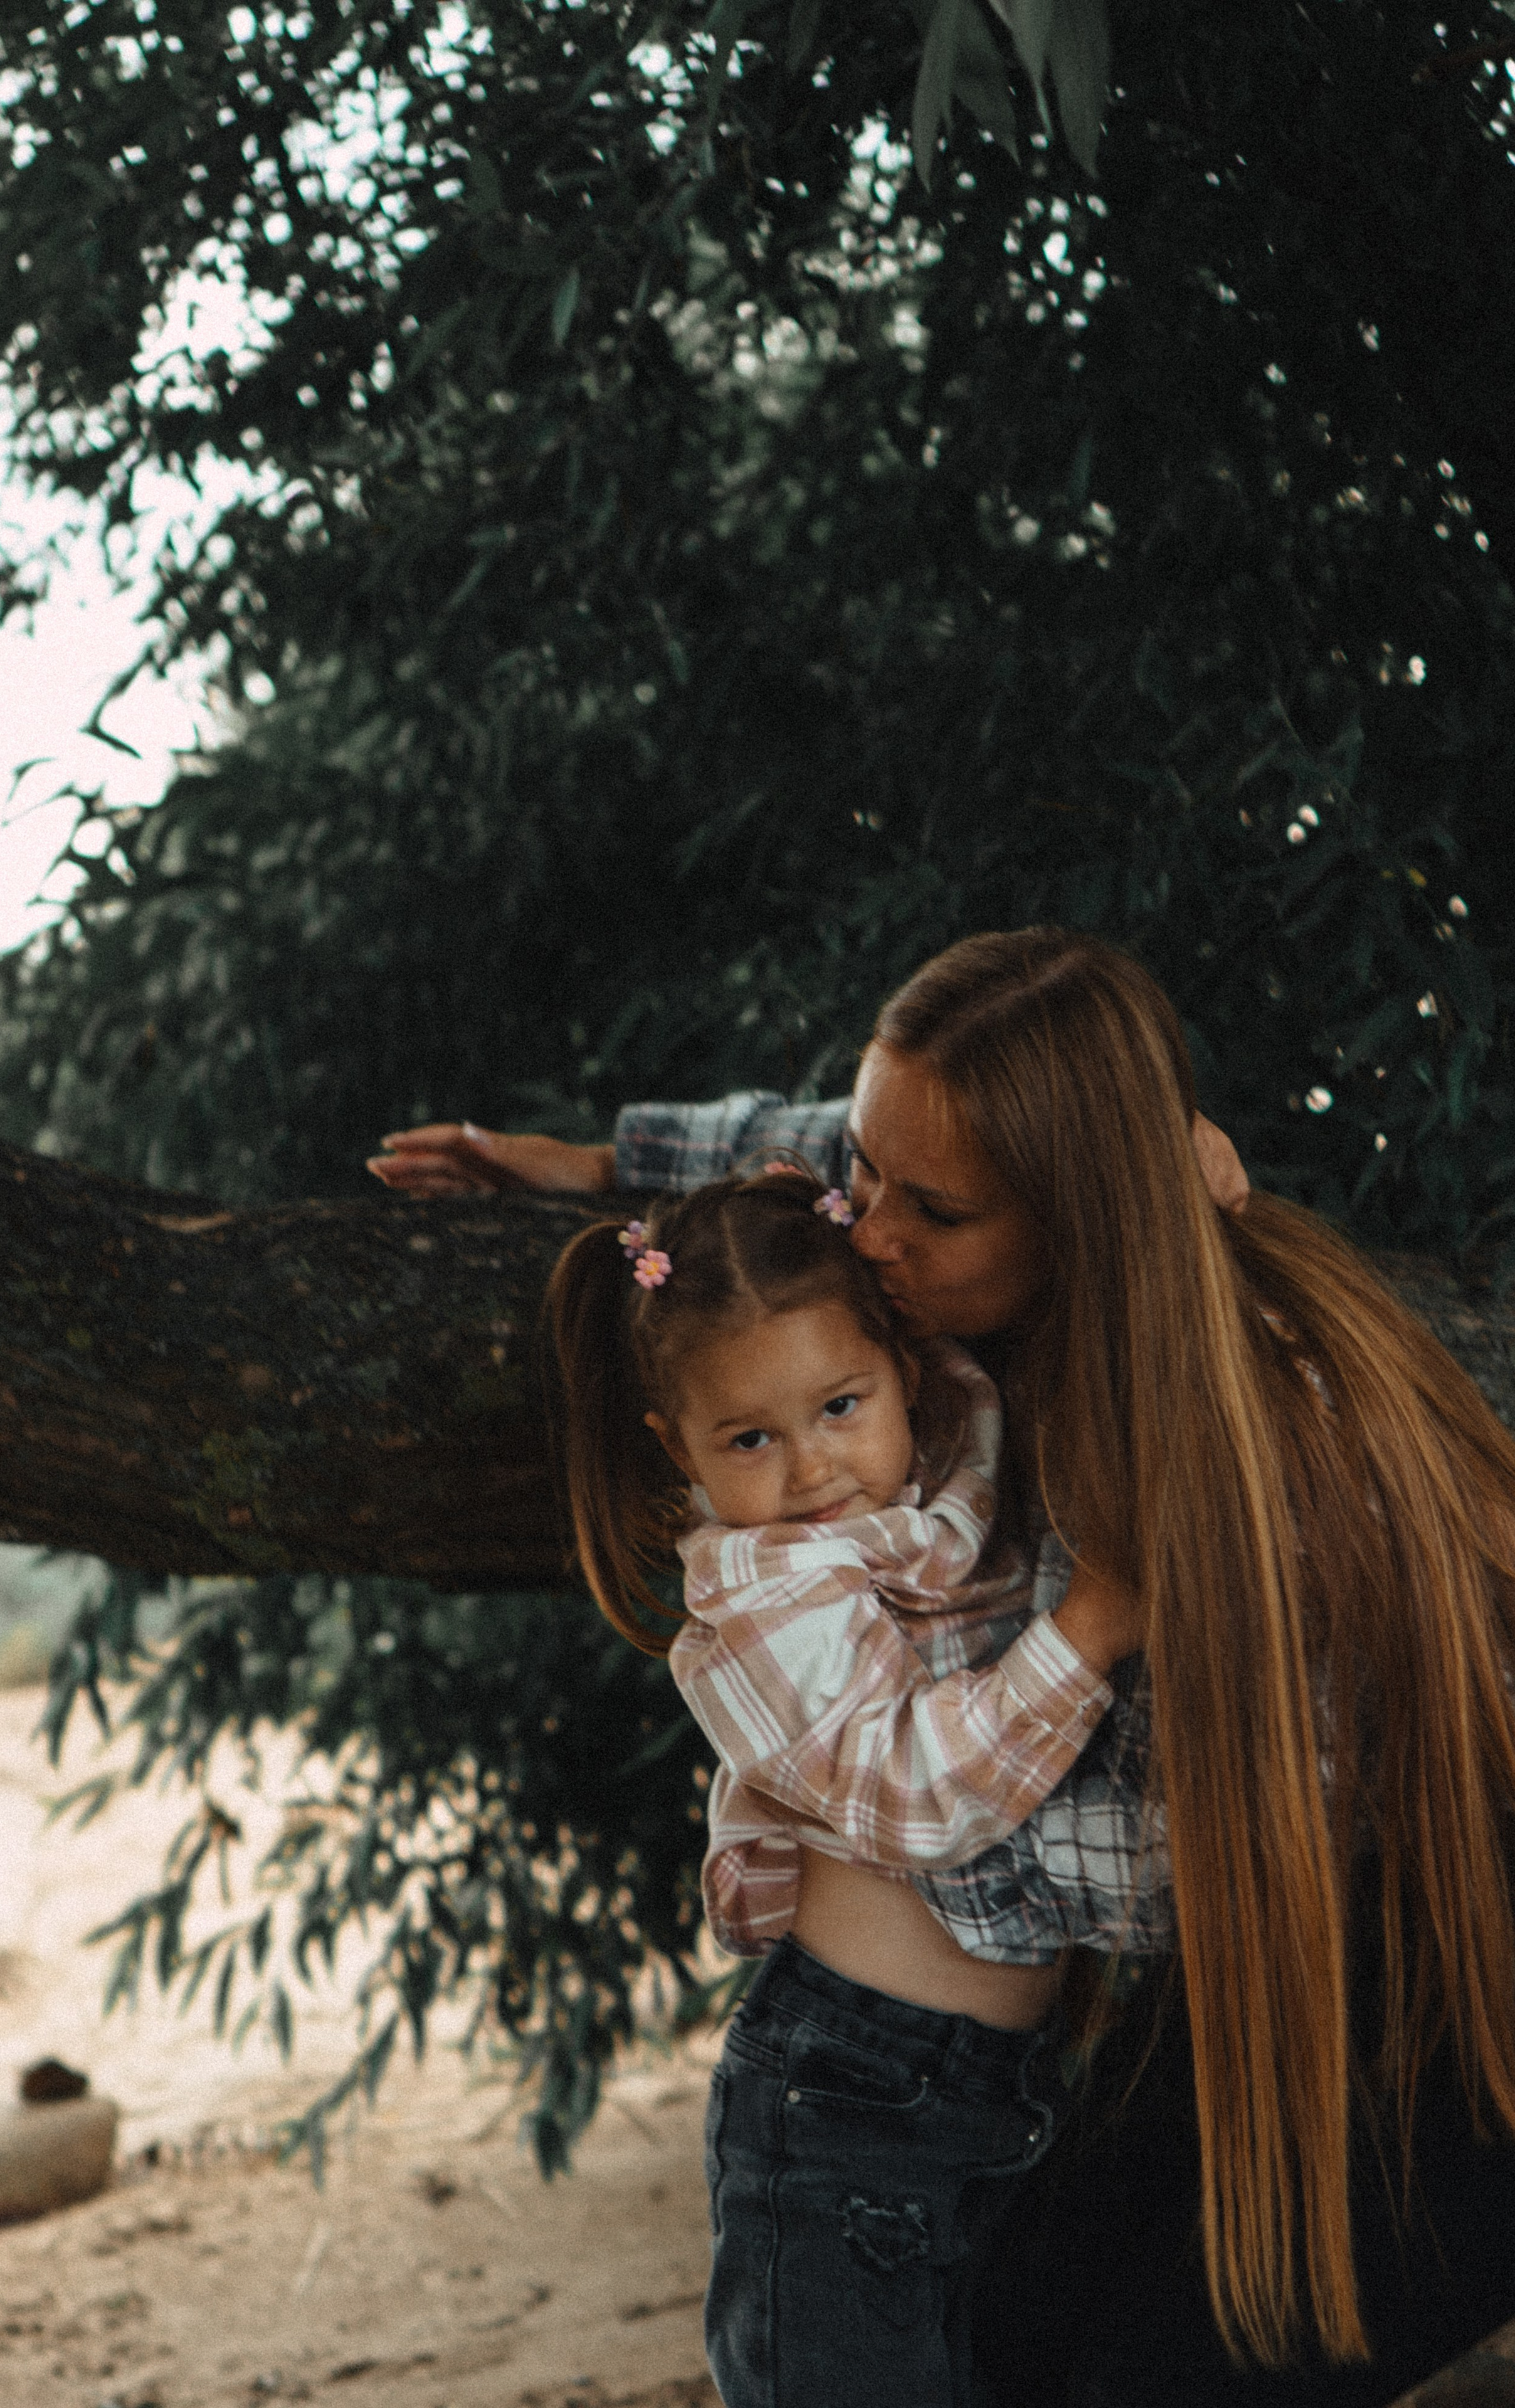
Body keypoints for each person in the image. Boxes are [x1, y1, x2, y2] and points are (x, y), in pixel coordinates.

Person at [368, 927, 1515, 2406]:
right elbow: (834, 1166)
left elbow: (1200, 1848)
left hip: (1446, 1989)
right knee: (1004, 2348)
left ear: (1086, 1213)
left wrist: (892, 1837)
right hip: (1050, 2034)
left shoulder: (1242, 1460)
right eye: (869, 1181)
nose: (869, 1236)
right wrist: (601, 1166)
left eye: (935, 1212)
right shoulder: (953, 1290)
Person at [541, 1163, 1168, 2408]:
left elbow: (952, 1163)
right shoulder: (764, 1595)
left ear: (905, 1360)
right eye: (750, 1440)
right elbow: (912, 1798)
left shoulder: (948, 1448)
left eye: (838, 1406)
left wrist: (1177, 1164)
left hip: (999, 2084)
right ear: (681, 1449)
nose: (813, 1468)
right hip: (844, 2103)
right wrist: (1086, 1630)